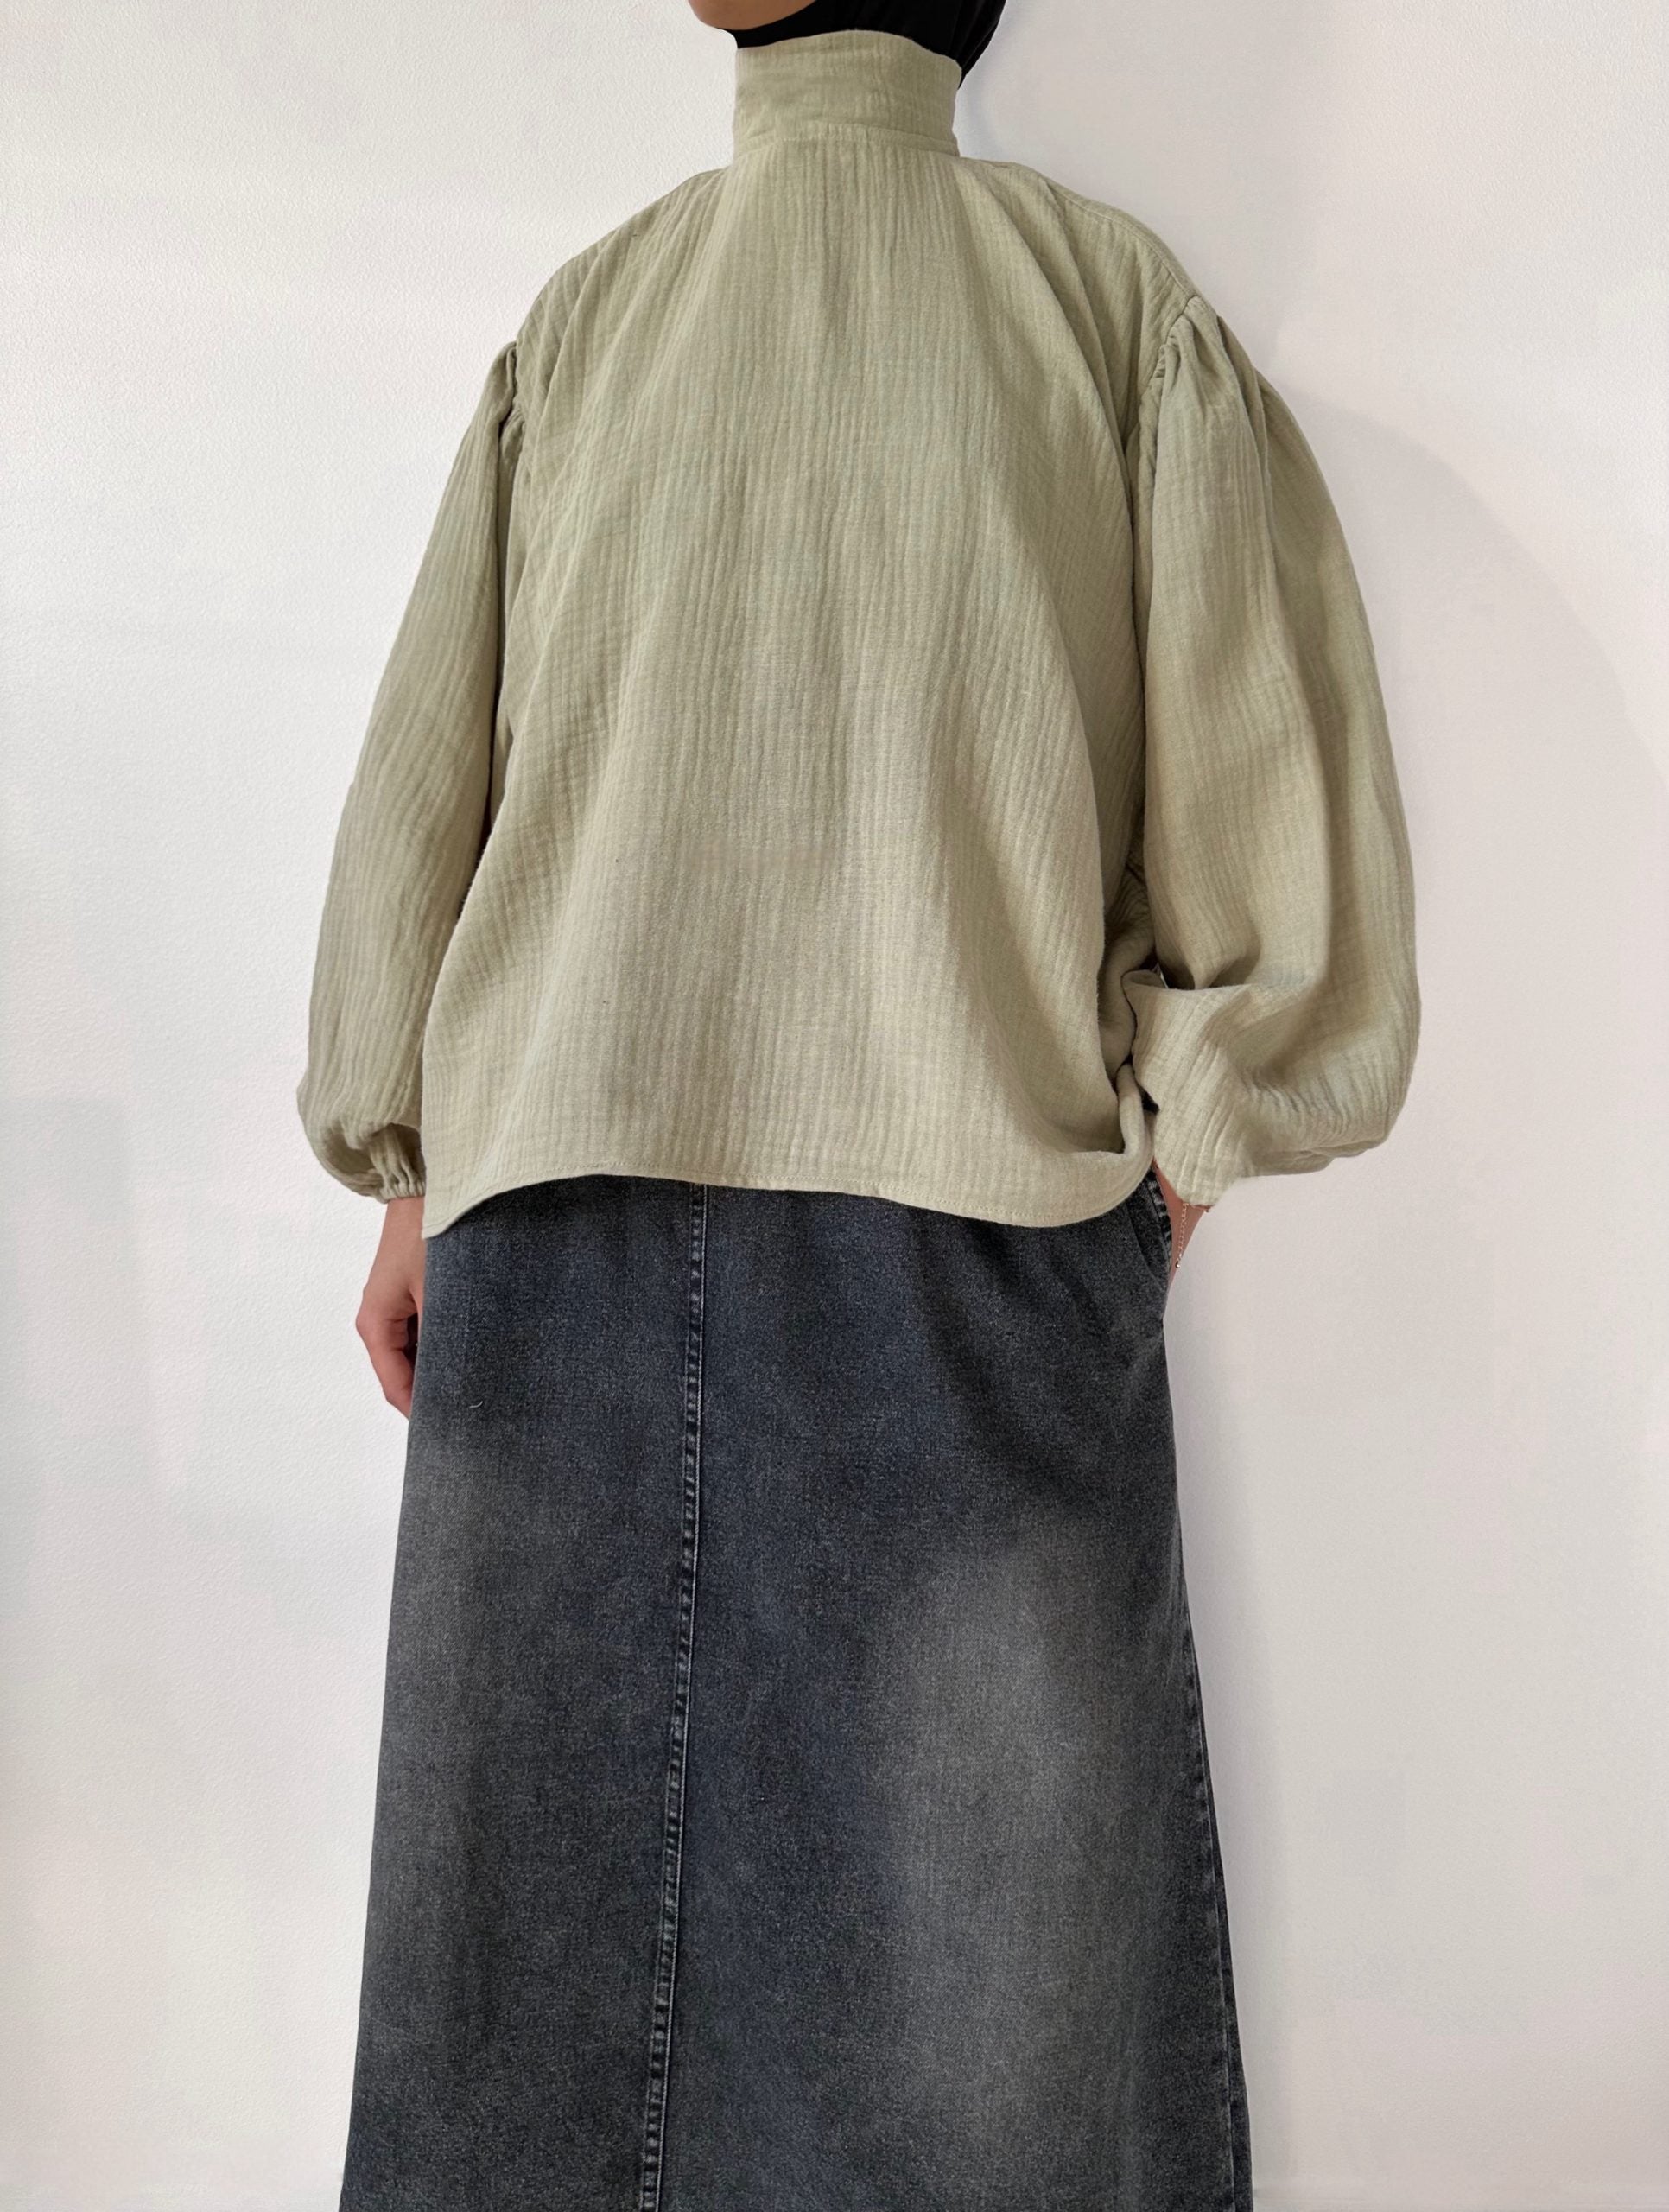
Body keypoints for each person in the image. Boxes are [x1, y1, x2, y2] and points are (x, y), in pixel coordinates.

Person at [296, 3, 1419, 2205]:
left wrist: (1174, 1165)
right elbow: (447, 779)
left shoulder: (646, 323)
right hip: (862, 1253)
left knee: (561, 2018)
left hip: (669, 1247)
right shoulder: (1018, 313)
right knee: (939, 2051)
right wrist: (409, 1164)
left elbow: (1265, 843)